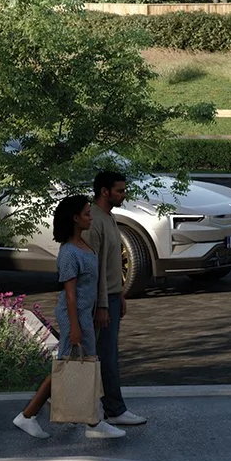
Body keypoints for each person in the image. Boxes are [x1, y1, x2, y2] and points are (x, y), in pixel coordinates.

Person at [13, 195, 128, 441]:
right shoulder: (68, 253)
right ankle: (32, 416)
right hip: (73, 316)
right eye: (87, 213)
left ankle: (87, 419)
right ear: (75, 219)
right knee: (68, 365)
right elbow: (70, 294)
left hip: (85, 314)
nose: (91, 217)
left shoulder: (85, 245)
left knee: (78, 365)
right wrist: (75, 327)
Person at [86, 169, 143, 427]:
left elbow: (112, 263)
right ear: (104, 191)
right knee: (105, 355)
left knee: (106, 354)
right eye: (119, 191)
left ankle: (109, 408)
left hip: (110, 296)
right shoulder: (94, 222)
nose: (124, 195)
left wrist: (119, 294)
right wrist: (102, 305)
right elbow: (94, 269)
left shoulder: (109, 217)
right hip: (100, 300)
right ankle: (114, 409)